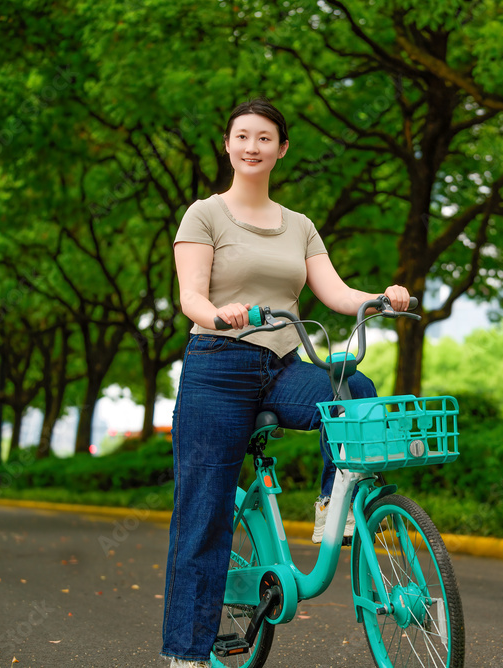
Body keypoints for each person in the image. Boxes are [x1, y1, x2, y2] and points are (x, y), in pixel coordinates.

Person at [161, 97, 409, 667]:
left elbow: (338, 293)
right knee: (203, 517)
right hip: (217, 368)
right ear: (227, 145)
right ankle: (186, 655)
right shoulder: (205, 215)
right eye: (243, 136)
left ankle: (331, 505)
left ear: (282, 148)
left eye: (265, 138)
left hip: (280, 368)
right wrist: (219, 314)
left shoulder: (298, 225)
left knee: (354, 391)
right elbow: (190, 296)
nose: (253, 146)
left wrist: (379, 298)